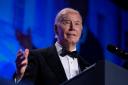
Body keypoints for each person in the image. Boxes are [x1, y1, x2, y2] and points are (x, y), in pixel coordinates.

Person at [15, 8, 91, 85]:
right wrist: (20, 75)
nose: (72, 28)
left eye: (77, 24)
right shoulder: (37, 59)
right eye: (67, 23)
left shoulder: (88, 67)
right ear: (56, 29)